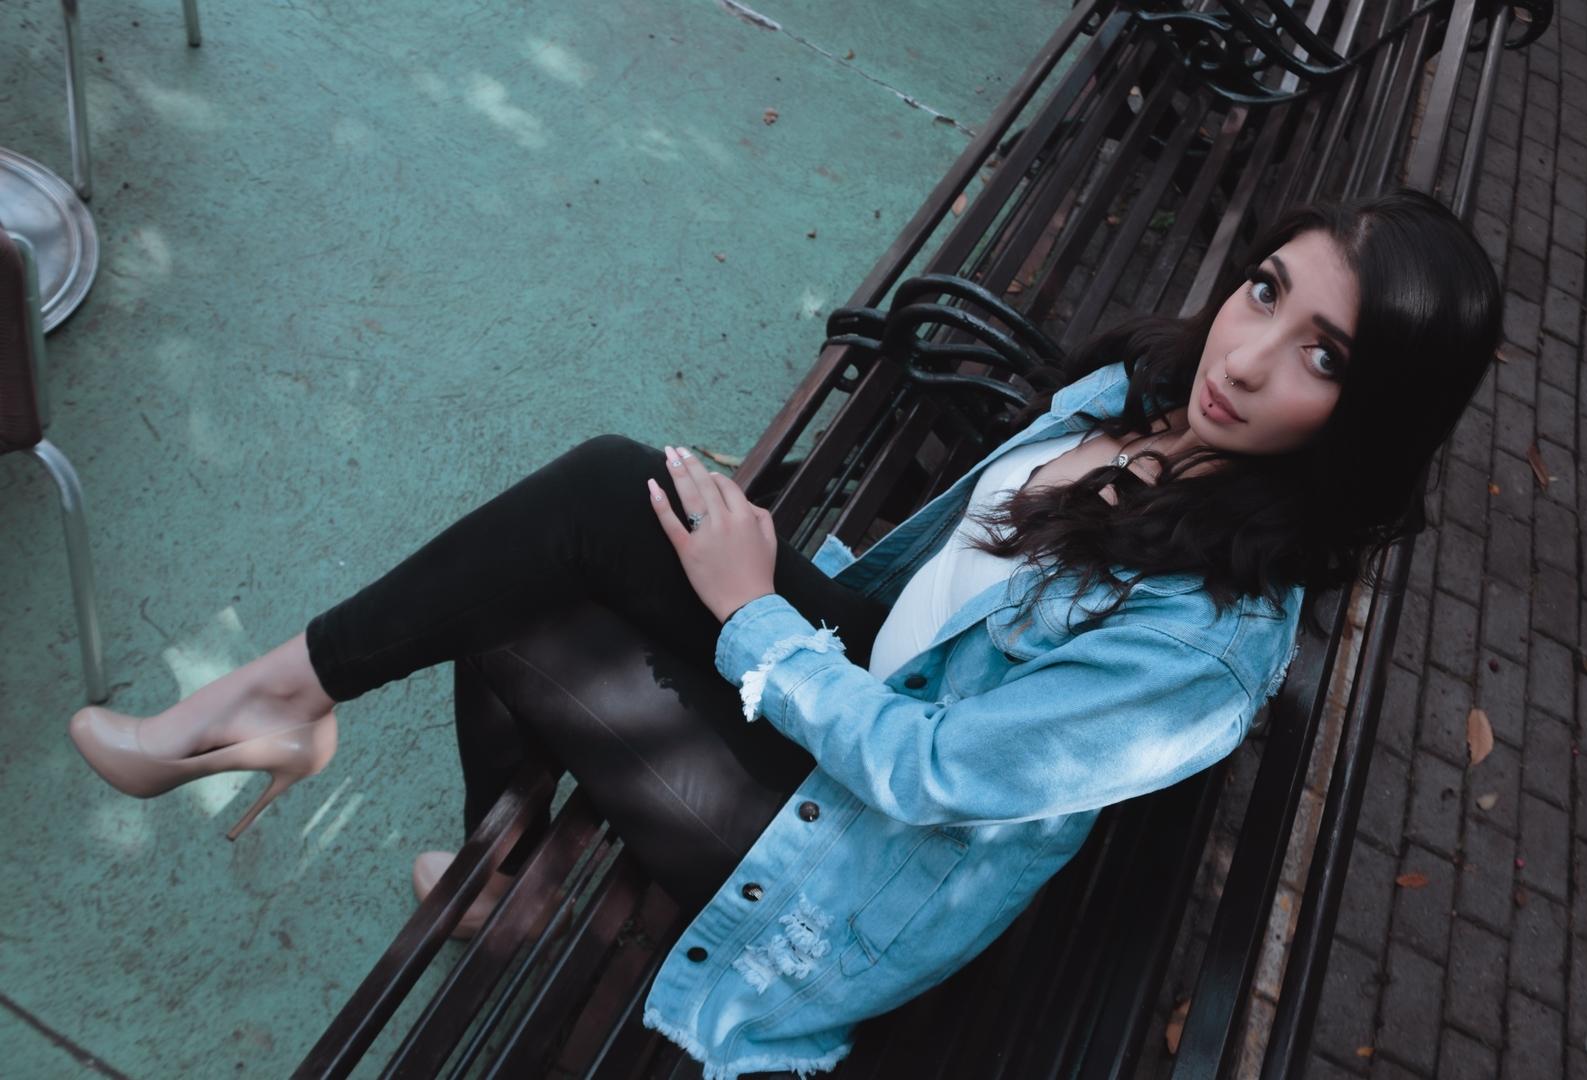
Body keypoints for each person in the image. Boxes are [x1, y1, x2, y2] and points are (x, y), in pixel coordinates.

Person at [68, 187, 1501, 1078]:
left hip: (861, 863)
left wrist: (754, 610)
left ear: (1370, 416)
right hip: (866, 685)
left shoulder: (1206, 651)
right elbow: (937, 594)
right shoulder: (1147, 401)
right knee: (612, 490)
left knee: (521, 617)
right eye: (1266, 290)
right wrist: (777, 587)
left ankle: (438, 820)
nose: (1248, 355)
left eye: (1322, 356)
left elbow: (931, 776)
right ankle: (303, 712)